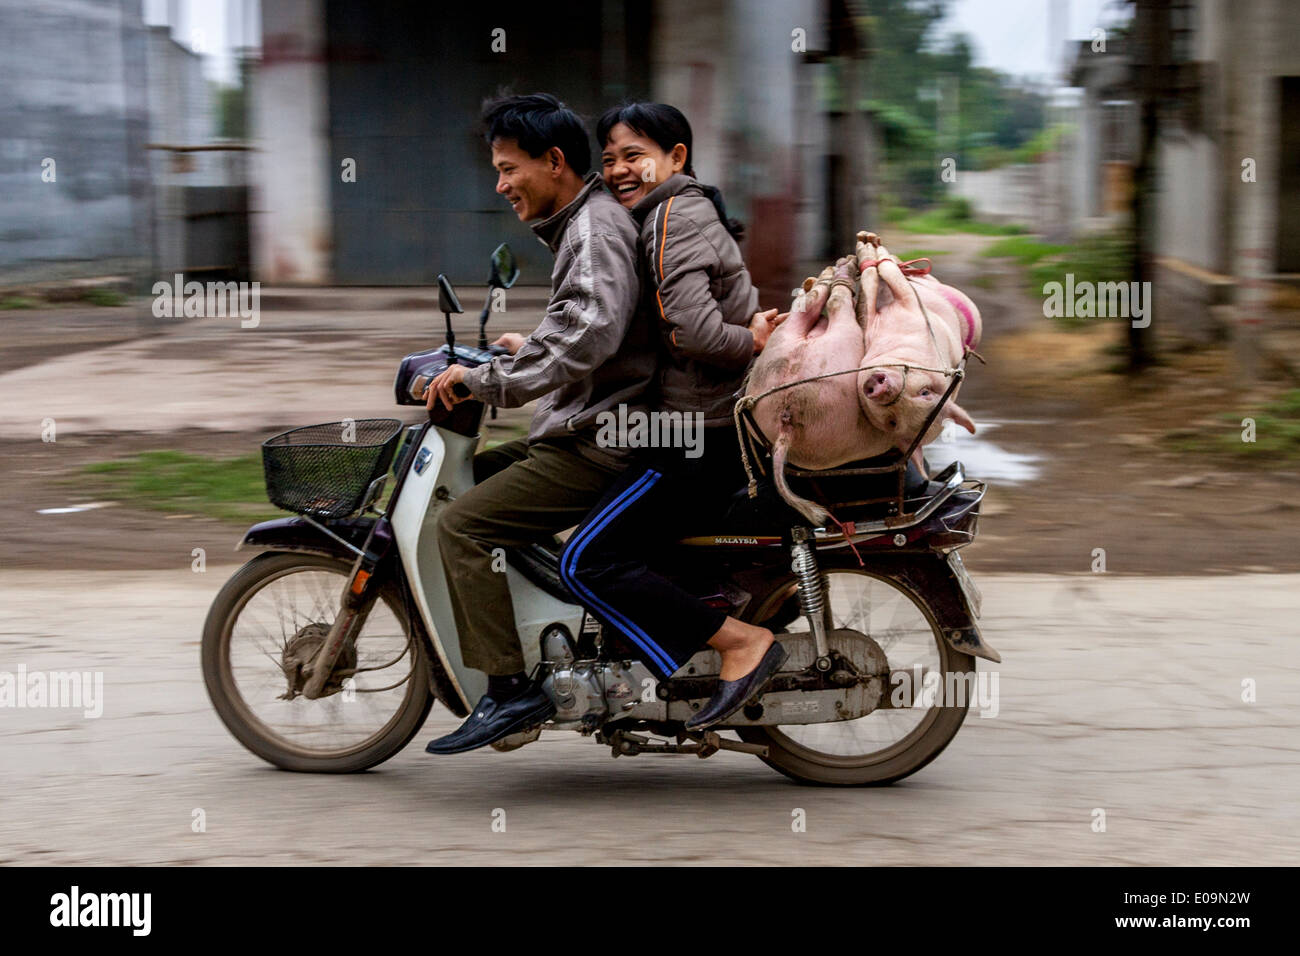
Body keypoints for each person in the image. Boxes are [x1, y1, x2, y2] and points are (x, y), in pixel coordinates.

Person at [423, 93, 654, 755]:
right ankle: (556, 635)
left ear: (554, 162)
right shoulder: (584, 226)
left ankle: (509, 689)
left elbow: (588, 335)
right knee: (471, 479)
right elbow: (584, 328)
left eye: (508, 168)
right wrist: (524, 350)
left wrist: (487, 380)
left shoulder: (593, 229)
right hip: (589, 422)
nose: (500, 186)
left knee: (462, 524)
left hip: (601, 440)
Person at [558, 103, 787, 732]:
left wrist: (752, 342)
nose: (619, 170)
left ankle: (741, 643)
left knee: (586, 561)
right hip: (702, 423)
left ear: (676, 157)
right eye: (607, 160)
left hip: (697, 435)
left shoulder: (672, 219)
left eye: (634, 155)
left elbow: (692, 331)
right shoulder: (673, 213)